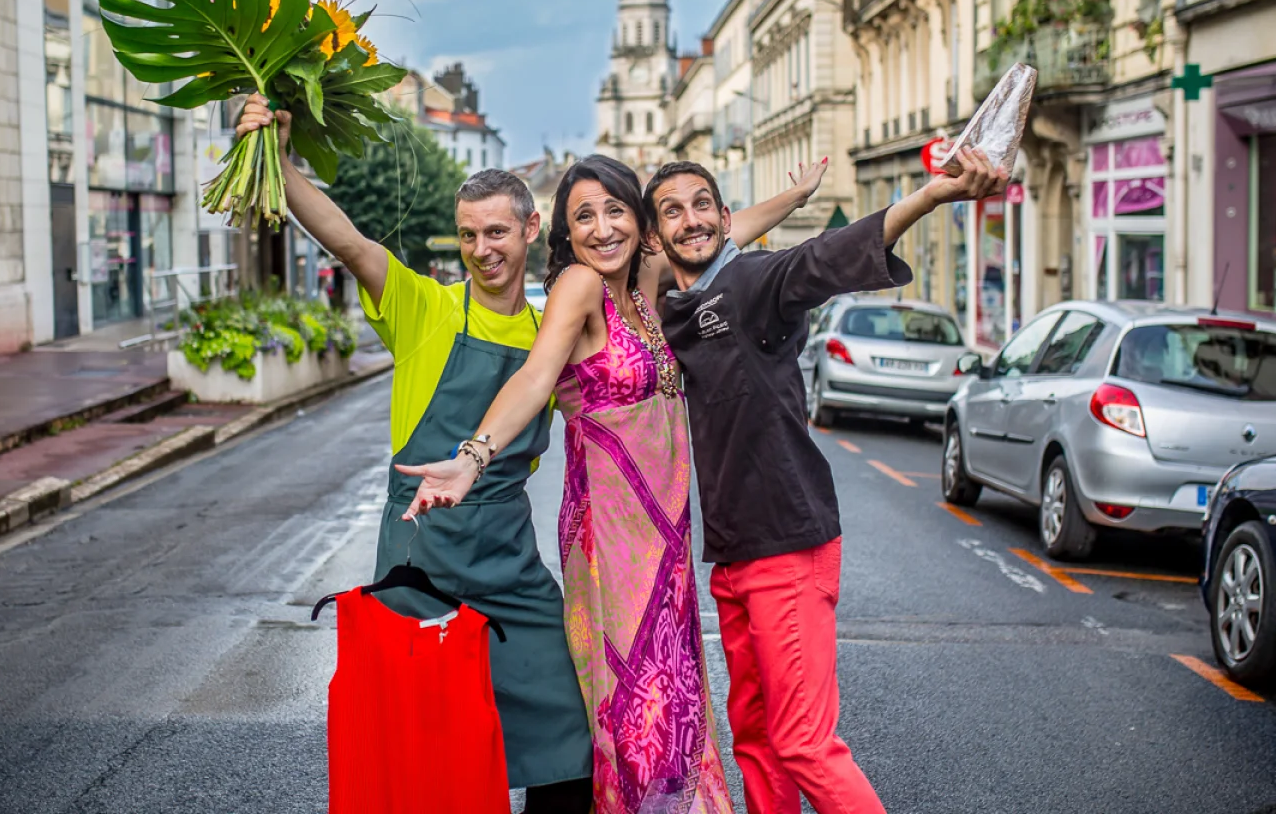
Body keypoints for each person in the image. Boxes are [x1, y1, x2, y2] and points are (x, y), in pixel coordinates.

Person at [397, 154, 821, 814]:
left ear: (639, 221)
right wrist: (473, 456)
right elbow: (535, 377)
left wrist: (794, 197)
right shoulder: (579, 287)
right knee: (634, 705)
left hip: (667, 537)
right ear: (566, 233)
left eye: (615, 211)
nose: (602, 229)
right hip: (611, 539)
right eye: (584, 217)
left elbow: (721, 235)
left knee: (674, 696)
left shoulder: (647, 280)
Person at [234, 94, 594, 811]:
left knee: (569, 737)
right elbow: (348, 242)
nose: (483, 249)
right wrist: (279, 155)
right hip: (419, 562)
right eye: (468, 235)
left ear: (530, 229)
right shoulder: (424, 307)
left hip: (510, 561)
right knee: (423, 748)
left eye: (497, 231)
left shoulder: (549, 333)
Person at [640, 152, 1008, 814]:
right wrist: (790, 197)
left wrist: (929, 196)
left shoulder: (754, 281)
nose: (691, 220)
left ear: (725, 217)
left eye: (702, 206)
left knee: (804, 742)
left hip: (787, 543)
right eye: (672, 211)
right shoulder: (674, 308)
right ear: (655, 234)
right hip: (731, 552)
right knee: (755, 740)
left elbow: (823, 257)